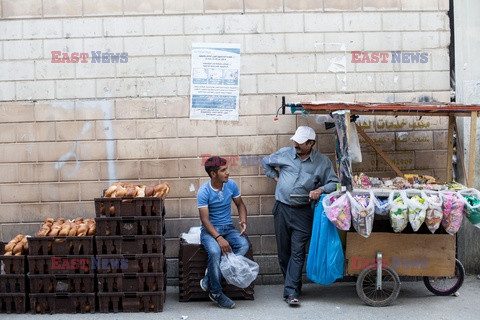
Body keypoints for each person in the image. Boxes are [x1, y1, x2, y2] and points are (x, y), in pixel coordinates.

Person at [261, 126, 339, 306]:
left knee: (297, 252)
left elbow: (334, 183)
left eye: (301, 142)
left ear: (311, 143)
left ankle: (291, 292)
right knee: (283, 253)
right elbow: (266, 161)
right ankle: (294, 284)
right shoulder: (285, 154)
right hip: (281, 209)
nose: (296, 144)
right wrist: (276, 178)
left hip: (303, 211)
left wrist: (320, 189)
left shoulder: (322, 162)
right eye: (295, 140)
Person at [197, 156, 249, 309]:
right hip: (209, 231)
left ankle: (209, 278)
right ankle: (216, 293)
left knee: (243, 245)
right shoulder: (204, 191)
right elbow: (205, 220)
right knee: (214, 251)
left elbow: (240, 204)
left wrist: (243, 220)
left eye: (227, 169)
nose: (228, 173)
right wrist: (218, 238)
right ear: (213, 174)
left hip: (229, 228)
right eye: (223, 170)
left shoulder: (231, 185)